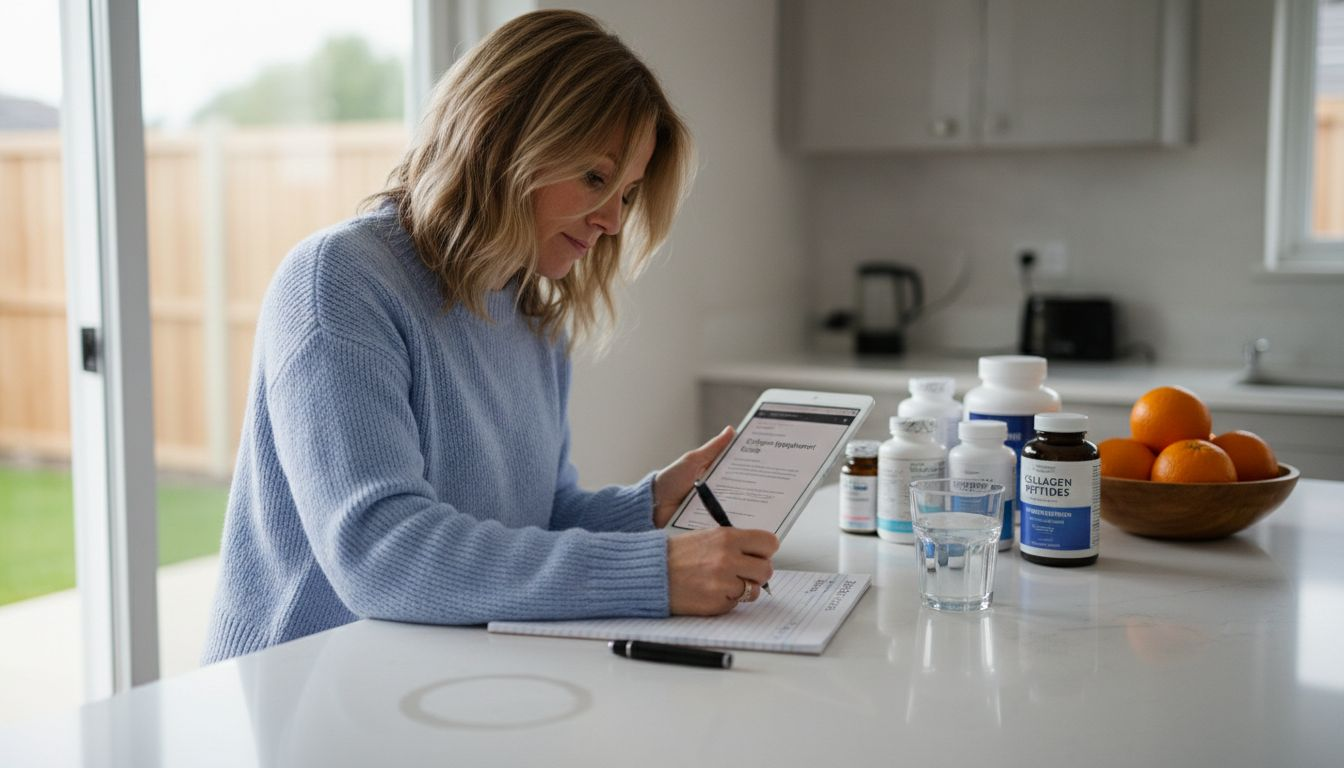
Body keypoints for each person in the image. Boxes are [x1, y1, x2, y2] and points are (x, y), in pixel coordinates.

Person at [202, 9, 778, 664]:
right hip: (300, 684)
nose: (613, 222)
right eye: (596, 178)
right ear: (500, 134)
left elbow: (533, 517)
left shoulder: (532, 315)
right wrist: (654, 572)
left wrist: (648, 506)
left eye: (628, 194)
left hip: (431, 676)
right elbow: (380, 552)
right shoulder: (340, 281)